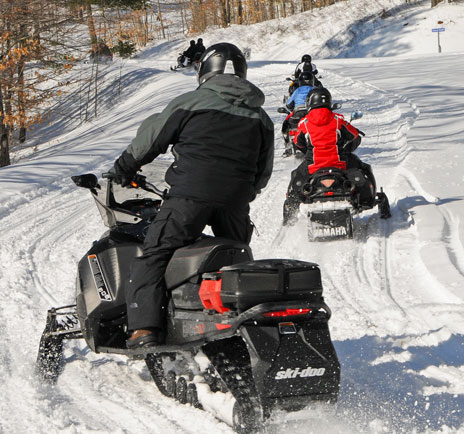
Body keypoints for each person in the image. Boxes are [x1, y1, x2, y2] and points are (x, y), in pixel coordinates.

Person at [110, 42, 274, 348]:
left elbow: (151, 139)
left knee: (154, 254)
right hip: (235, 201)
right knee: (235, 260)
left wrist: (124, 166)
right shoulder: (261, 117)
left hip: (189, 196)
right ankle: (244, 325)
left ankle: (144, 329)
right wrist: (241, 193)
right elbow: (263, 172)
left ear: (204, 70)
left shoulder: (190, 102)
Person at [284, 87, 388, 220]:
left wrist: (309, 151)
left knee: (296, 178)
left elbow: (298, 143)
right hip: (339, 165)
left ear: (309, 103)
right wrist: (346, 149)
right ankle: (369, 201)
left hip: (313, 167)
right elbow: (355, 136)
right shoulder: (338, 120)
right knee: (364, 169)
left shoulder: (304, 123)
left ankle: (290, 213)